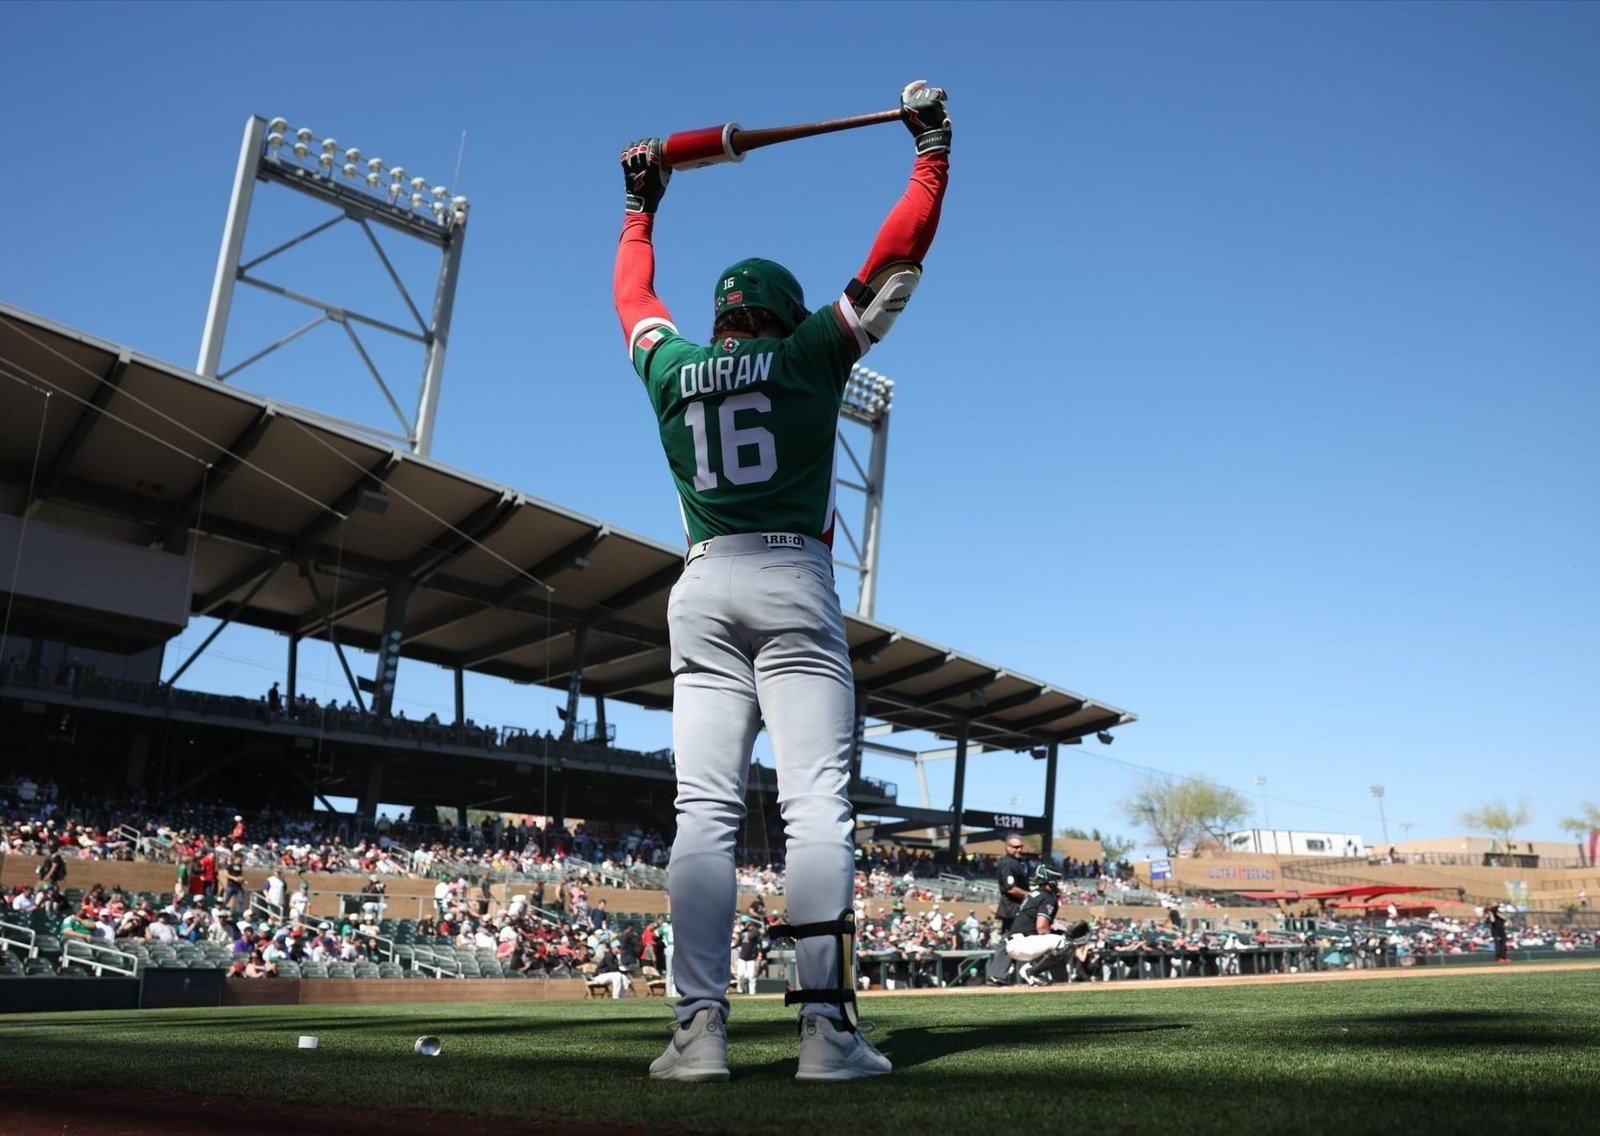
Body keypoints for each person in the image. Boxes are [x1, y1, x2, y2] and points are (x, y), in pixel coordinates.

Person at [614, 78, 950, 1084]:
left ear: (721, 316)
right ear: (780, 312)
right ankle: (822, 1032)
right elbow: (897, 252)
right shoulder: (809, 356)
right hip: (793, 583)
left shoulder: (672, 367)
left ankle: (698, 1032)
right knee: (815, 808)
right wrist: (931, 152)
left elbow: (634, 297)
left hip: (702, 588)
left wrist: (641, 206)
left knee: (703, 814)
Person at [986, 837, 1030, 986]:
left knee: (1013, 940)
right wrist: (1031, 895)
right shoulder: (1008, 863)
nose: (1019, 849)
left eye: (1020, 847)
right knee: (1009, 941)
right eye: (1015, 847)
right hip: (1011, 908)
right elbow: (1010, 888)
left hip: (1015, 907)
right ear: (1007, 847)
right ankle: (997, 974)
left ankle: (999, 975)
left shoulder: (1016, 863)